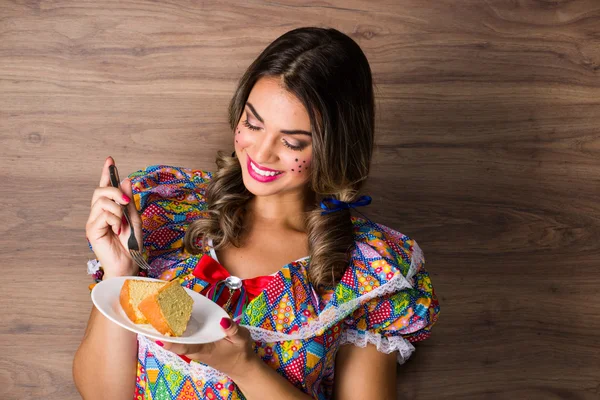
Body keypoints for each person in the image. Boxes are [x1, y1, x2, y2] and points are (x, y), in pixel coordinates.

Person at [73, 27, 440, 400]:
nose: (261, 153)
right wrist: (120, 274)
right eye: (252, 123)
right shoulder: (165, 214)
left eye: (292, 142)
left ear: (338, 147)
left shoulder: (370, 271)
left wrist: (243, 368)